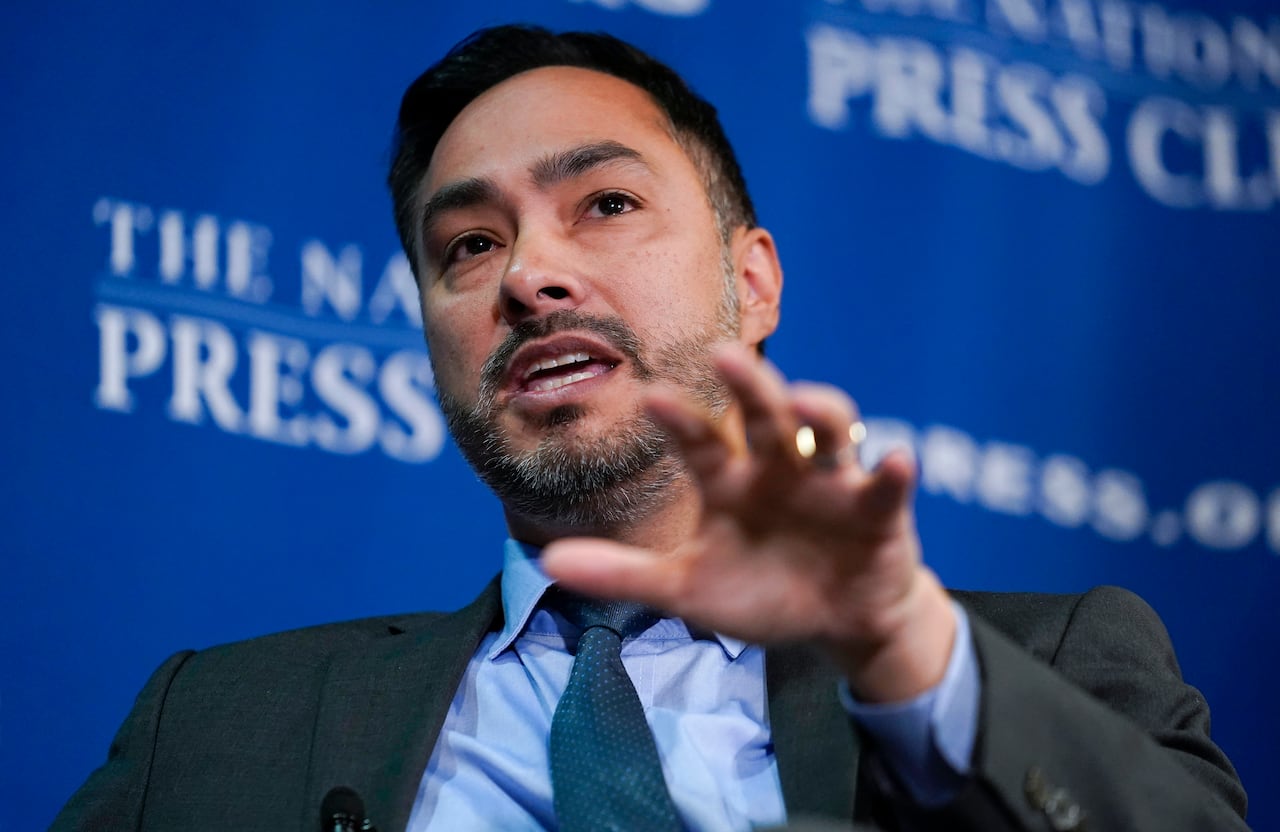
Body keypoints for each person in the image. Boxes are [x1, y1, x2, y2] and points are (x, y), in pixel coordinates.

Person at [54, 24, 1248, 832]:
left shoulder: (1036, 665)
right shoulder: (209, 728)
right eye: (467, 244)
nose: (530, 275)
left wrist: (902, 653)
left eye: (606, 204)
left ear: (754, 280)